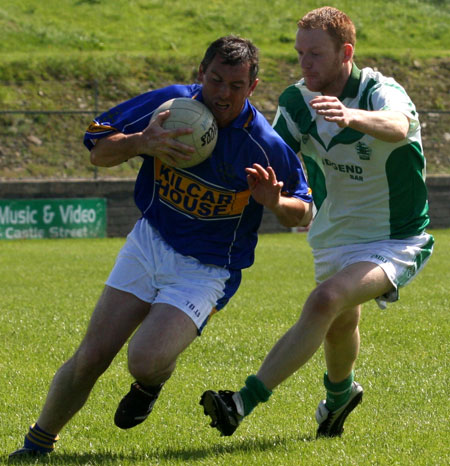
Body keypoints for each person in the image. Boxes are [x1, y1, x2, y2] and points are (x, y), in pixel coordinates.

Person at [8, 35, 312, 459]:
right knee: (93, 353)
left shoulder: (263, 143)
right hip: (150, 241)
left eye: (236, 85)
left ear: (253, 88)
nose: (223, 93)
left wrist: (276, 201)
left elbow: (306, 211)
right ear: (199, 73)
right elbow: (98, 149)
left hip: (206, 269)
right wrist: (140, 143)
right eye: (215, 79)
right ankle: (38, 442)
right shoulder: (170, 108)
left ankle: (150, 383)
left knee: (145, 359)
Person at [200, 7, 434, 439]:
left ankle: (241, 402)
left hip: (396, 237)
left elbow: (399, 126)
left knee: (326, 300)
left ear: (346, 52)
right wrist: (273, 196)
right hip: (333, 237)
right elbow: (273, 163)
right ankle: (341, 395)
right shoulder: (296, 102)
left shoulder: (381, 92)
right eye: (300, 53)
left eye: (315, 55)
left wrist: (352, 117)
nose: (304, 64)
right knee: (342, 322)